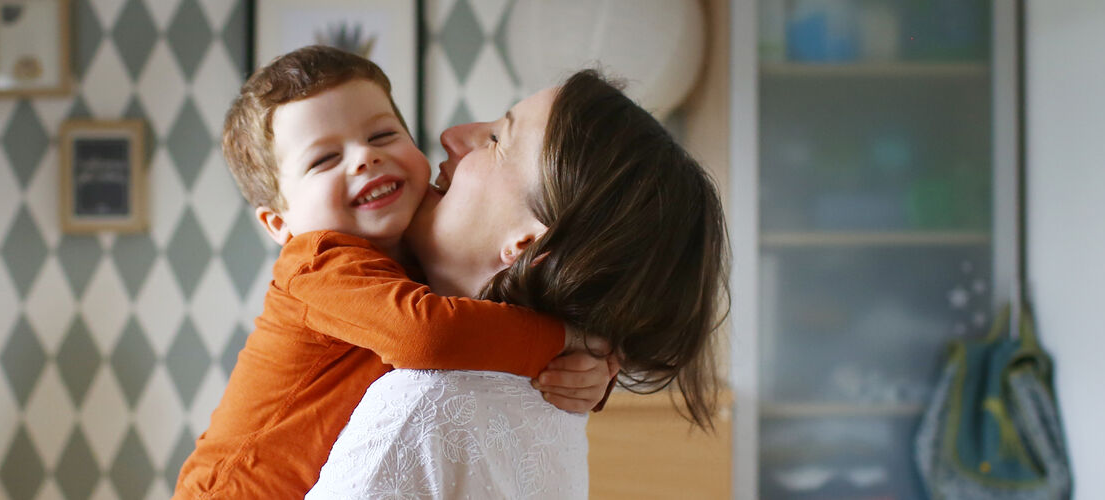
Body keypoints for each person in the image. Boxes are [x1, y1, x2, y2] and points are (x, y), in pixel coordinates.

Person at [172, 46, 616, 500]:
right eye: (324, 160)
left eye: (383, 135)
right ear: (280, 224)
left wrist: (594, 372)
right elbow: (430, 336)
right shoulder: (319, 262)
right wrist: (564, 339)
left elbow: (497, 317)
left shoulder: (429, 251)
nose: (364, 158)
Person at [307, 70, 731, 498]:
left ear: (529, 243)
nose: (452, 135)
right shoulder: (555, 402)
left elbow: (429, 335)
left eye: (495, 141)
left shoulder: (423, 408)